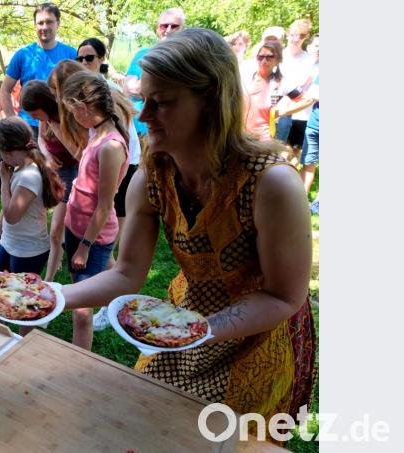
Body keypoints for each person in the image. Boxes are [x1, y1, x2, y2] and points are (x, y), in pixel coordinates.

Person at [61, 29, 316, 442]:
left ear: (210, 100)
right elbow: (127, 274)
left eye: (161, 102)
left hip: (260, 335)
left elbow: (284, 297)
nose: (144, 115)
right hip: (184, 321)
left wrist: (195, 330)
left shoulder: (271, 184)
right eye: (145, 99)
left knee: (220, 441)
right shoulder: (153, 176)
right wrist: (52, 297)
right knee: (150, 423)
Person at [60, 71, 132, 350]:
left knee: (81, 311)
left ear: (84, 107)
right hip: (75, 227)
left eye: (72, 111)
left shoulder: (111, 146)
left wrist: (84, 247)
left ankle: (78, 362)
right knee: (78, 296)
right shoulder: (96, 131)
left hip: (93, 238)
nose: (72, 117)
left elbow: (104, 206)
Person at [0, 117, 65, 335]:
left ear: (7, 150)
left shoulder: (28, 176)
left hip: (28, 251)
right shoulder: (20, 168)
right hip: (9, 243)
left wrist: (4, 181)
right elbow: (7, 208)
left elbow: (12, 215)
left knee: (25, 306)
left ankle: (24, 343)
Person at [20, 80, 79, 282]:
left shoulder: (65, 117)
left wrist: (56, 127)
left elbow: (80, 153)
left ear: (46, 105)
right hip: (53, 171)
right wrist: (47, 156)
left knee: (56, 232)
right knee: (55, 229)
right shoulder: (45, 118)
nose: (33, 118)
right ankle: (53, 270)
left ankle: (49, 280)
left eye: (35, 114)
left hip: (72, 173)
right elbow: (41, 140)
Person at [0, 2, 77, 137]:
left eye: (49, 22)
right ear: (35, 25)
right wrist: (13, 121)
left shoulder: (71, 54)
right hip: (29, 127)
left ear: (58, 23)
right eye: (40, 23)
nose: (44, 27)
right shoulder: (23, 55)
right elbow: (4, 90)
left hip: (63, 124)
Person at [123, 7, 186, 139]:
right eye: (164, 26)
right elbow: (130, 89)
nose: (168, 30)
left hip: (170, 133)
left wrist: (145, 88)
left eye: (174, 26)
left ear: (183, 29)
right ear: (158, 28)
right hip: (138, 132)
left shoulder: (187, 57)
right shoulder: (142, 54)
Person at [242, 40, 313, 142]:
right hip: (239, 136)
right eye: (260, 57)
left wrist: (282, 112)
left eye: (269, 57)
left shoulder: (282, 83)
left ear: (278, 60)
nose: (264, 61)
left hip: (263, 139)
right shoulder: (245, 77)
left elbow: (308, 100)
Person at [281, 19, 316, 164]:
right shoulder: (278, 55)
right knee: (280, 150)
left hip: (300, 111)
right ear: (288, 34)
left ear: (305, 37)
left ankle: (289, 176)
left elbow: (306, 85)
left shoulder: (309, 60)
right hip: (277, 111)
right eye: (293, 35)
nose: (296, 39)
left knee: (295, 151)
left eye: (301, 36)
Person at [300, 34, 319, 204]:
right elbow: (313, 94)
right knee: (308, 163)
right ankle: (300, 200)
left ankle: (319, 203)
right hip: (313, 125)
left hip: (312, 122)